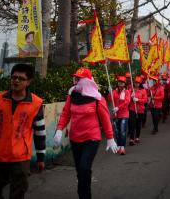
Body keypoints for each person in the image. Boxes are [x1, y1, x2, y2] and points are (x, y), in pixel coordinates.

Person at [0, 64, 46, 199]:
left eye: (20, 78)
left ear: (28, 82)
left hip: (20, 157)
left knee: (17, 193)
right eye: (13, 77)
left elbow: (40, 133)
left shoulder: (36, 104)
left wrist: (41, 158)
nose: (16, 81)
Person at [54, 68, 118, 199]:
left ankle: (84, 195)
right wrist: (59, 129)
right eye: (75, 78)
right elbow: (66, 113)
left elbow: (106, 119)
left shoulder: (97, 98)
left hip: (91, 138)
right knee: (80, 170)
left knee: (84, 167)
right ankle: (83, 184)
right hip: (75, 138)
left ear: (87, 81)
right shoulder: (72, 96)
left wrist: (110, 138)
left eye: (79, 79)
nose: (76, 81)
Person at [108, 76, 131, 155]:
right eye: (119, 82)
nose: (120, 84)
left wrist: (118, 107)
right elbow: (110, 99)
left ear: (124, 84)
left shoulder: (126, 92)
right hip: (115, 115)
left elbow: (127, 102)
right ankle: (118, 145)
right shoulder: (114, 91)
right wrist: (109, 92)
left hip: (124, 114)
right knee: (117, 131)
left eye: (122, 82)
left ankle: (122, 147)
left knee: (122, 131)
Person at [128, 76, 147, 145]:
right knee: (132, 124)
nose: (137, 84)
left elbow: (145, 100)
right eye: (136, 82)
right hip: (132, 109)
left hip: (140, 110)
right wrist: (130, 97)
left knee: (138, 124)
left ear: (140, 83)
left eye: (138, 83)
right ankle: (131, 139)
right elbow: (127, 100)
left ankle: (137, 137)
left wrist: (138, 100)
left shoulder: (143, 90)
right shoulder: (130, 90)